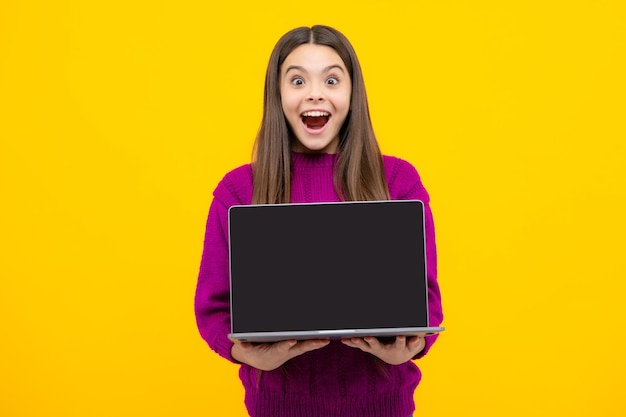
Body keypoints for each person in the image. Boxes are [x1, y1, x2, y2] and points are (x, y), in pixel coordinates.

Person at [195, 25, 443, 417]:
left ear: (351, 94)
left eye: (331, 79)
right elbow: (212, 308)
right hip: (277, 406)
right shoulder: (239, 189)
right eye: (297, 80)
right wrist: (244, 353)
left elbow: (427, 303)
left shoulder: (398, 180)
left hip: (384, 406)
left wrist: (412, 346)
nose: (315, 93)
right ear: (277, 95)